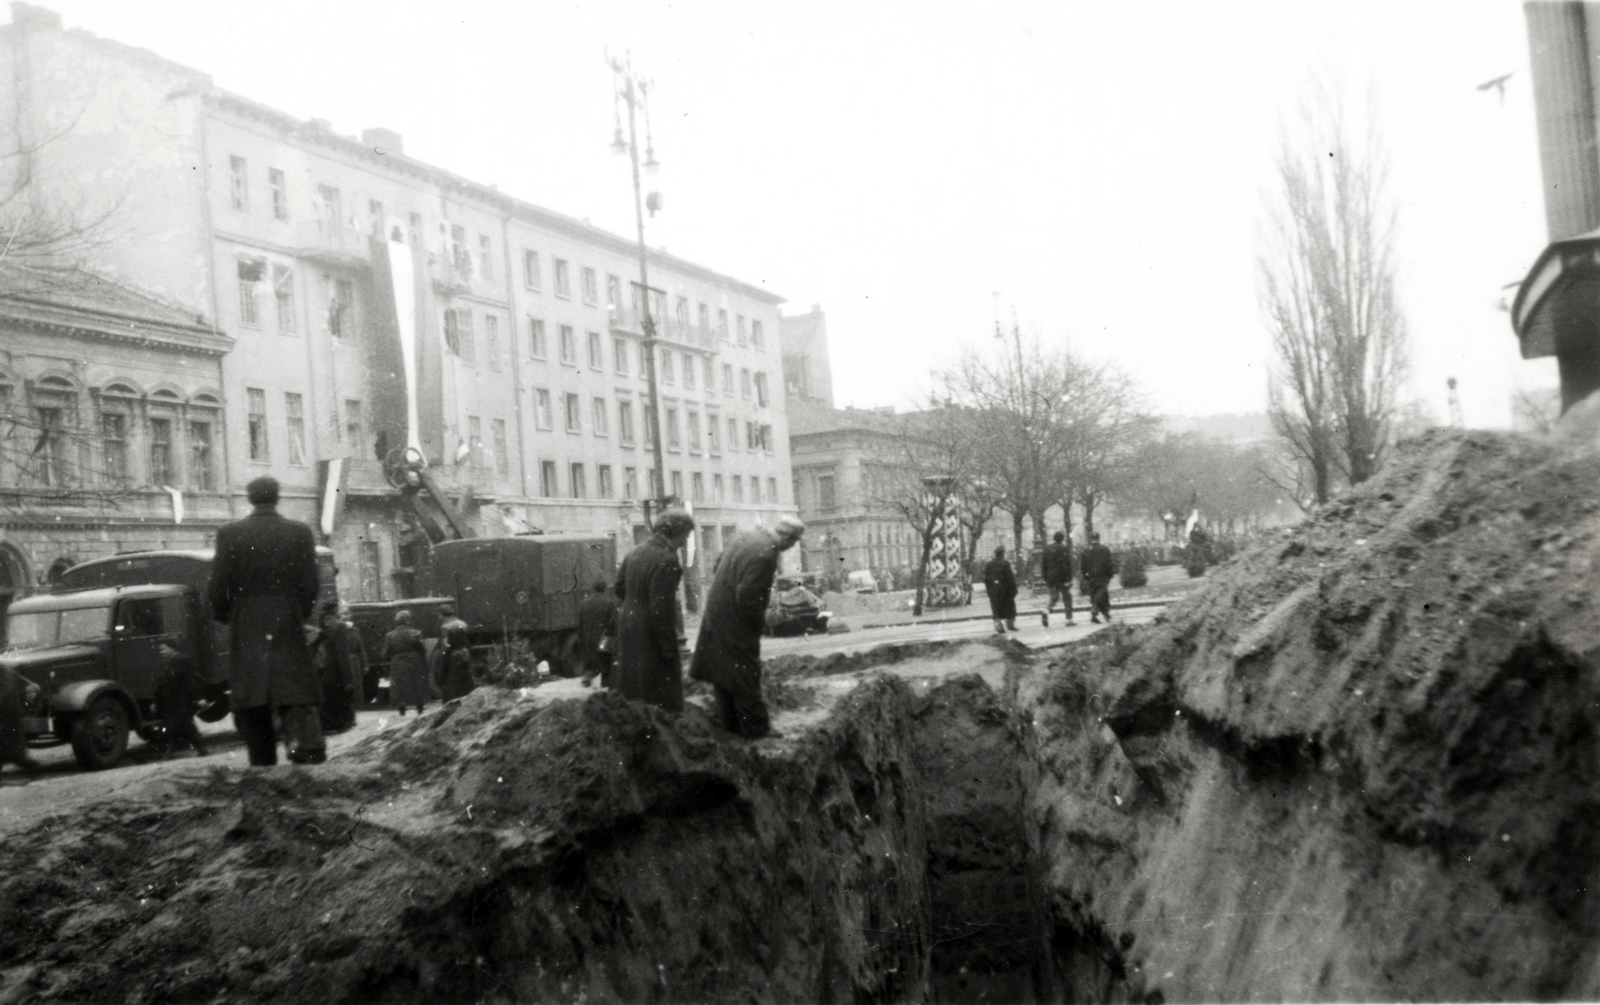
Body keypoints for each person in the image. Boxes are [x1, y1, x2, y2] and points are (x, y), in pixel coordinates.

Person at [209, 475, 324, 766]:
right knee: (293, 687)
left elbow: (219, 585)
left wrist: (226, 615)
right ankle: (304, 754)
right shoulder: (299, 532)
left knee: (253, 694)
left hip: (247, 620)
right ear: (276, 497)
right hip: (286, 615)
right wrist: (301, 610)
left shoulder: (230, 534)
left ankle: (262, 766)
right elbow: (311, 583)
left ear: (250, 499)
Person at [690, 516, 806, 739]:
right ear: (787, 538)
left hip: (718, 611)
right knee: (745, 671)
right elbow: (749, 596)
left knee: (723, 673)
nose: (791, 547)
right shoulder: (765, 554)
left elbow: (718, 563)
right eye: (793, 542)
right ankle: (757, 730)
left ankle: (730, 727)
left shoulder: (750, 537)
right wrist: (759, 625)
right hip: (736, 619)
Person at [615, 508, 696, 712]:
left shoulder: (634, 552)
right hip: (651, 632)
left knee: (633, 689)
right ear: (675, 532)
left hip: (628, 625)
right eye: (685, 536)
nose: (685, 542)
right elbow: (661, 608)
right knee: (662, 695)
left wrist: (635, 604)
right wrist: (668, 646)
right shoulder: (667, 560)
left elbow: (618, 587)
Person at [151, 642, 209, 758]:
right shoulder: (165, 663)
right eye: (161, 650)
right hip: (170, 701)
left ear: (172, 649)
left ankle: (172, 753)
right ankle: (200, 749)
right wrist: (155, 702)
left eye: (164, 649)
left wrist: (199, 698)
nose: (162, 652)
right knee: (179, 726)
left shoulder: (182, 661)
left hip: (182, 699)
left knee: (183, 725)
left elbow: (191, 680)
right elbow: (161, 685)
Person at [312, 603, 358, 733]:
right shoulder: (339, 628)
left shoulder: (324, 630)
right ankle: (342, 724)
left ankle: (329, 725)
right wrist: (348, 677)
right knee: (341, 697)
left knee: (331, 699)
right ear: (335, 614)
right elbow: (341, 654)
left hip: (328, 671)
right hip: (338, 670)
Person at [384, 610, 431, 715]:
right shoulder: (416, 633)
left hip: (398, 663)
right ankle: (420, 708)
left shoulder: (390, 636)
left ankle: (402, 710)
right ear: (408, 621)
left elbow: (386, 653)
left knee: (400, 686)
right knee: (417, 684)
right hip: (414, 662)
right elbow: (422, 649)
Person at [0, 663, 41, 780]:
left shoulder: (2, 670)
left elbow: (5, 690)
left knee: (13, 750)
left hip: (7, 713)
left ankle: (33, 769)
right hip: (5, 713)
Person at [576, 580, 618, 688]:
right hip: (602, 639)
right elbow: (613, 622)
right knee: (605, 663)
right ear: (605, 589)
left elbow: (580, 624)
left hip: (587, 638)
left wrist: (581, 638)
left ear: (593, 588)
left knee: (590, 661)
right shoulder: (610, 603)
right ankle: (605, 685)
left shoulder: (583, 603)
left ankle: (587, 678)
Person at [1080, 532, 1118, 624]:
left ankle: (1100, 615)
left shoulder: (1086, 551)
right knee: (1101, 593)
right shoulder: (1104, 549)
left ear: (1091, 539)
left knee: (1096, 594)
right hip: (1102, 576)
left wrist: (1085, 576)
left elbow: (1083, 565)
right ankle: (1097, 610)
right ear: (1098, 538)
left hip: (1091, 576)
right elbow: (1108, 563)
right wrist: (1110, 574)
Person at [433, 624, 475, 701]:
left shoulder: (448, 653)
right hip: (466, 690)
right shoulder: (465, 652)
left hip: (452, 691)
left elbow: (440, 671)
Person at [983, 545, 1019, 634]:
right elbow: (1010, 577)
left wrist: (989, 590)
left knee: (996, 609)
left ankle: (998, 626)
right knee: (1010, 608)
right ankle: (1010, 625)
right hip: (1006, 591)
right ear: (1002, 554)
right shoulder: (1005, 563)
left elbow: (986, 578)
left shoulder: (989, 564)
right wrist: (1014, 589)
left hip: (994, 590)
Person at [1041, 530, 1075, 624]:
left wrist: (1046, 577)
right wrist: (1069, 579)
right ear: (1062, 538)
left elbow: (1043, 564)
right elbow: (1067, 565)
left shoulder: (1047, 548)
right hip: (1062, 578)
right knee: (1067, 598)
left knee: (1054, 597)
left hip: (1051, 578)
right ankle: (1069, 619)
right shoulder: (1064, 548)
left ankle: (1046, 611)